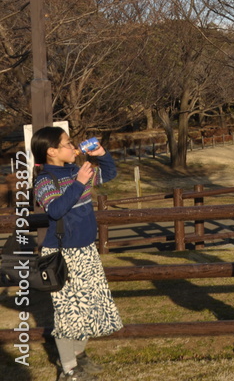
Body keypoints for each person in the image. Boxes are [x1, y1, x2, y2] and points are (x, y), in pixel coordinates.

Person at [32, 127, 123, 381]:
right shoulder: (44, 180)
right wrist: (80, 182)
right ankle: (69, 370)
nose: (74, 147)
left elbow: (110, 174)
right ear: (52, 151)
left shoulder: (75, 170)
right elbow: (56, 210)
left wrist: (102, 154)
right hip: (62, 254)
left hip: (85, 250)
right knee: (67, 313)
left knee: (87, 307)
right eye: (67, 143)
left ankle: (78, 355)